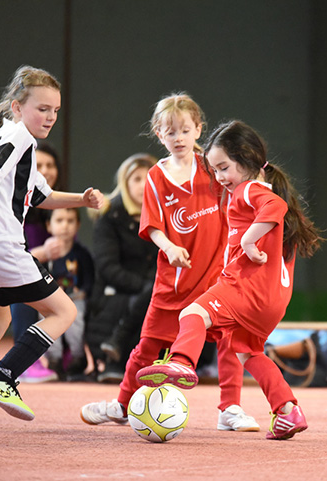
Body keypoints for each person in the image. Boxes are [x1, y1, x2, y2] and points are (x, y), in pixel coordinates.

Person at [0, 65, 104, 428]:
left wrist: (81, 200)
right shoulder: (18, 138)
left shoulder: (9, 138)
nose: (50, 117)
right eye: (42, 108)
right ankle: (3, 376)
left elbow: (40, 195)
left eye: (55, 110)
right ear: (16, 107)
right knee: (64, 312)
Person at [80, 94, 259, 432]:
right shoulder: (157, 176)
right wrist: (170, 246)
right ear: (158, 135)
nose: (178, 138)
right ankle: (121, 405)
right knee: (147, 345)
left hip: (217, 277)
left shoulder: (213, 166)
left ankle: (230, 409)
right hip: (174, 280)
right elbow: (152, 225)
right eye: (170, 132)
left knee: (230, 340)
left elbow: (240, 195)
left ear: (198, 130)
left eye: (185, 130)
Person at [135, 120, 324, 440]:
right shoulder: (264, 191)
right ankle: (286, 409)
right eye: (215, 170)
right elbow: (277, 209)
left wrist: (248, 242)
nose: (220, 178)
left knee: (191, 314)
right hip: (273, 300)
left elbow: (274, 208)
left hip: (244, 287)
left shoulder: (249, 189)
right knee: (248, 352)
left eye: (224, 168)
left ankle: (181, 363)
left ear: (248, 158)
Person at [85, 153, 158, 383]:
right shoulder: (110, 215)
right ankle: (115, 360)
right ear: (125, 183)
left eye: (149, 179)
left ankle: (122, 341)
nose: (143, 184)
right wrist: (144, 286)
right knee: (145, 297)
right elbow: (107, 267)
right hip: (116, 288)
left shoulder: (166, 215)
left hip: (152, 287)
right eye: (136, 179)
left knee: (159, 296)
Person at [14, 140, 65, 383]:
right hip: (3, 284)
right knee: (25, 289)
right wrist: (42, 252)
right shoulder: (14, 206)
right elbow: (9, 261)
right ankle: (25, 362)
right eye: (39, 165)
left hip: (43, 280)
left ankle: (69, 358)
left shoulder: (59, 210)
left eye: (50, 165)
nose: (45, 171)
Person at [42, 207, 94, 380]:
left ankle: (78, 358)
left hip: (74, 299)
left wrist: (84, 292)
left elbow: (88, 277)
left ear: (78, 225)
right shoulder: (46, 253)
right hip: (50, 300)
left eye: (70, 221)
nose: (65, 226)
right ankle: (54, 360)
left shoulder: (82, 253)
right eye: (59, 221)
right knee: (47, 324)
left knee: (76, 323)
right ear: (49, 226)